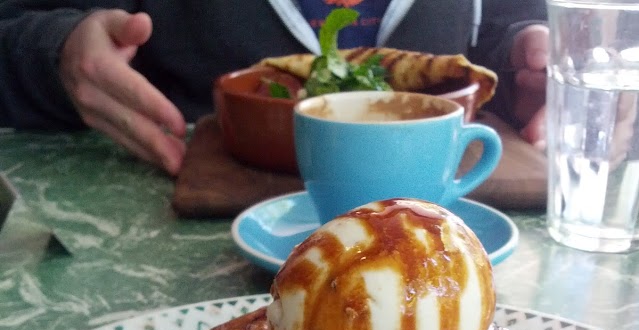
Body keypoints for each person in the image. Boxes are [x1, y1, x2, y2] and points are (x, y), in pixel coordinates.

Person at [0, 0, 548, 177]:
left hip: (450, 221)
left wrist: (529, 64)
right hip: (171, 215)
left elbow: (505, 29)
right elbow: (16, 30)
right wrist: (57, 51)